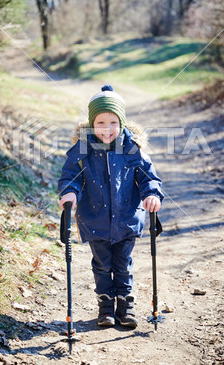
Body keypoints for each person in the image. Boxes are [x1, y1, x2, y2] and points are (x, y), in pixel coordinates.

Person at [58, 84, 164, 328]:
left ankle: (125, 306)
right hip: (94, 218)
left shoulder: (131, 147)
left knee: (123, 264)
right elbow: (70, 177)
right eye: (101, 123)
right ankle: (106, 306)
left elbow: (148, 177)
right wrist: (70, 193)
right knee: (102, 264)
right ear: (92, 124)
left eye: (113, 123)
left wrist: (152, 194)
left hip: (127, 217)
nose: (107, 129)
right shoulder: (83, 147)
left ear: (122, 123)